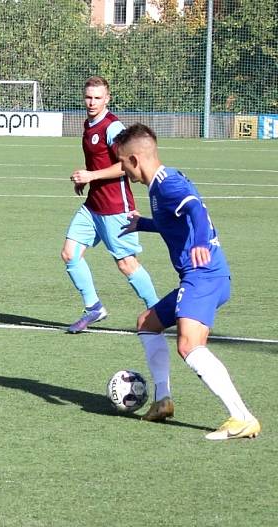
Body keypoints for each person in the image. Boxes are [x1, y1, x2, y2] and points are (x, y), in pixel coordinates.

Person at [116, 123, 260, 440]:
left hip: (204, 274)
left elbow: (194, 208)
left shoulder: (167, 185)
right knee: (148, 323)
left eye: (123, 164)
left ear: (135, 160)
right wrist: (144, 224)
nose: (123, 171)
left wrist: (201, 243)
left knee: (189, 345)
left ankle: (242, 417)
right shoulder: (161, 184)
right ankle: (163, 400)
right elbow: (175, 221)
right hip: (201, 276)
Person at [61, 76, 158, 333]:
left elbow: (126, 165)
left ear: (107, 98)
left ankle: (159, 310)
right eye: (88, 97)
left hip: (115, 205)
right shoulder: (89, 124)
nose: (91, 102)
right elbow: (98, 163)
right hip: (94, 204)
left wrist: (92, 175)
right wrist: (85, 178)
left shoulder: (112, 127)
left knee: (126, 263)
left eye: (97, 98)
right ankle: (94, 307)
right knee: (70, 253)